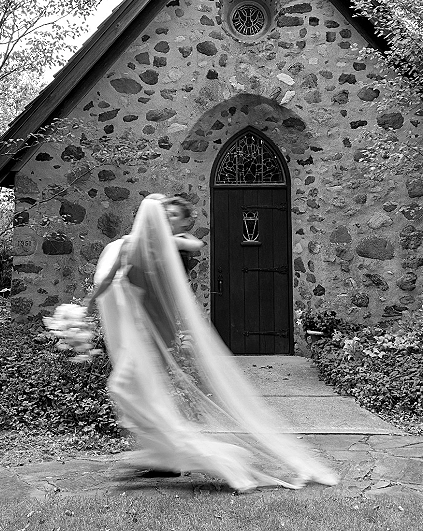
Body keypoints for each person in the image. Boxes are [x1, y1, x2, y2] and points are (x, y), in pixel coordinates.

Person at [86, 194, 338, 492]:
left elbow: (189, 248)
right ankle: (162, 455)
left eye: (171, 216)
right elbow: (112, 282)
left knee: (129, 391)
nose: (167, 220)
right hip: (143, 338)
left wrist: (89, 308)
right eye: (164, 215)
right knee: (137, 395)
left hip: (146, 338)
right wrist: (85, 310)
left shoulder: (152, 250)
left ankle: (177, 454)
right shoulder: (142, 248)